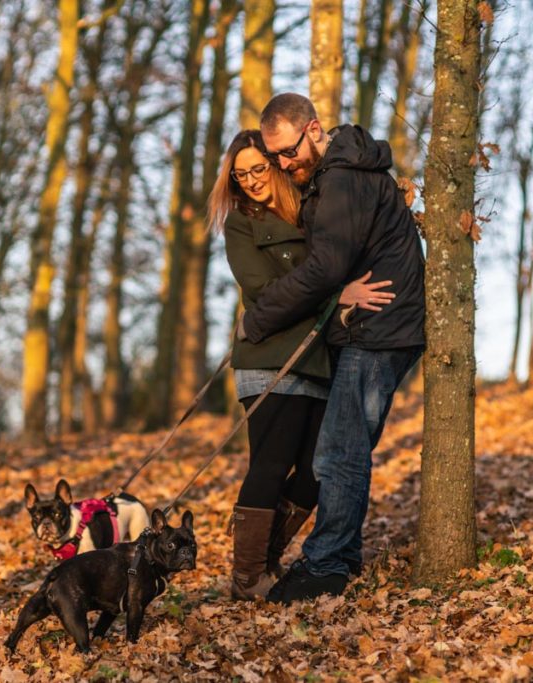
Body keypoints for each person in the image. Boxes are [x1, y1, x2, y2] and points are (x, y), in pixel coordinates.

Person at [237, 94, 426, 604]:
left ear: (314, 129)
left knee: (338, 452)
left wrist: (258, 318)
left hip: (379, 328)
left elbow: (324, 268)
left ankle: (326, 565)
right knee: (344, 449)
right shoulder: (332, 175)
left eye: (286, 151)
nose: (281, 163)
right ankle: (339, 557)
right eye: (274, 156)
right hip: (365, 327)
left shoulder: (341, 179)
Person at [208, 129, 395, 600]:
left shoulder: (312, 208)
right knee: (270, 466)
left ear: (274, 164)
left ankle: (266, 561)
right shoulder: (240, 224)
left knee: (316, 473)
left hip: (317, 359)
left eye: (258, 168)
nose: (250, 180)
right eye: (240, 173)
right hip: (269, 359)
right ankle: (248, 577)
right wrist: (338, 294)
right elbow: (268, 293)